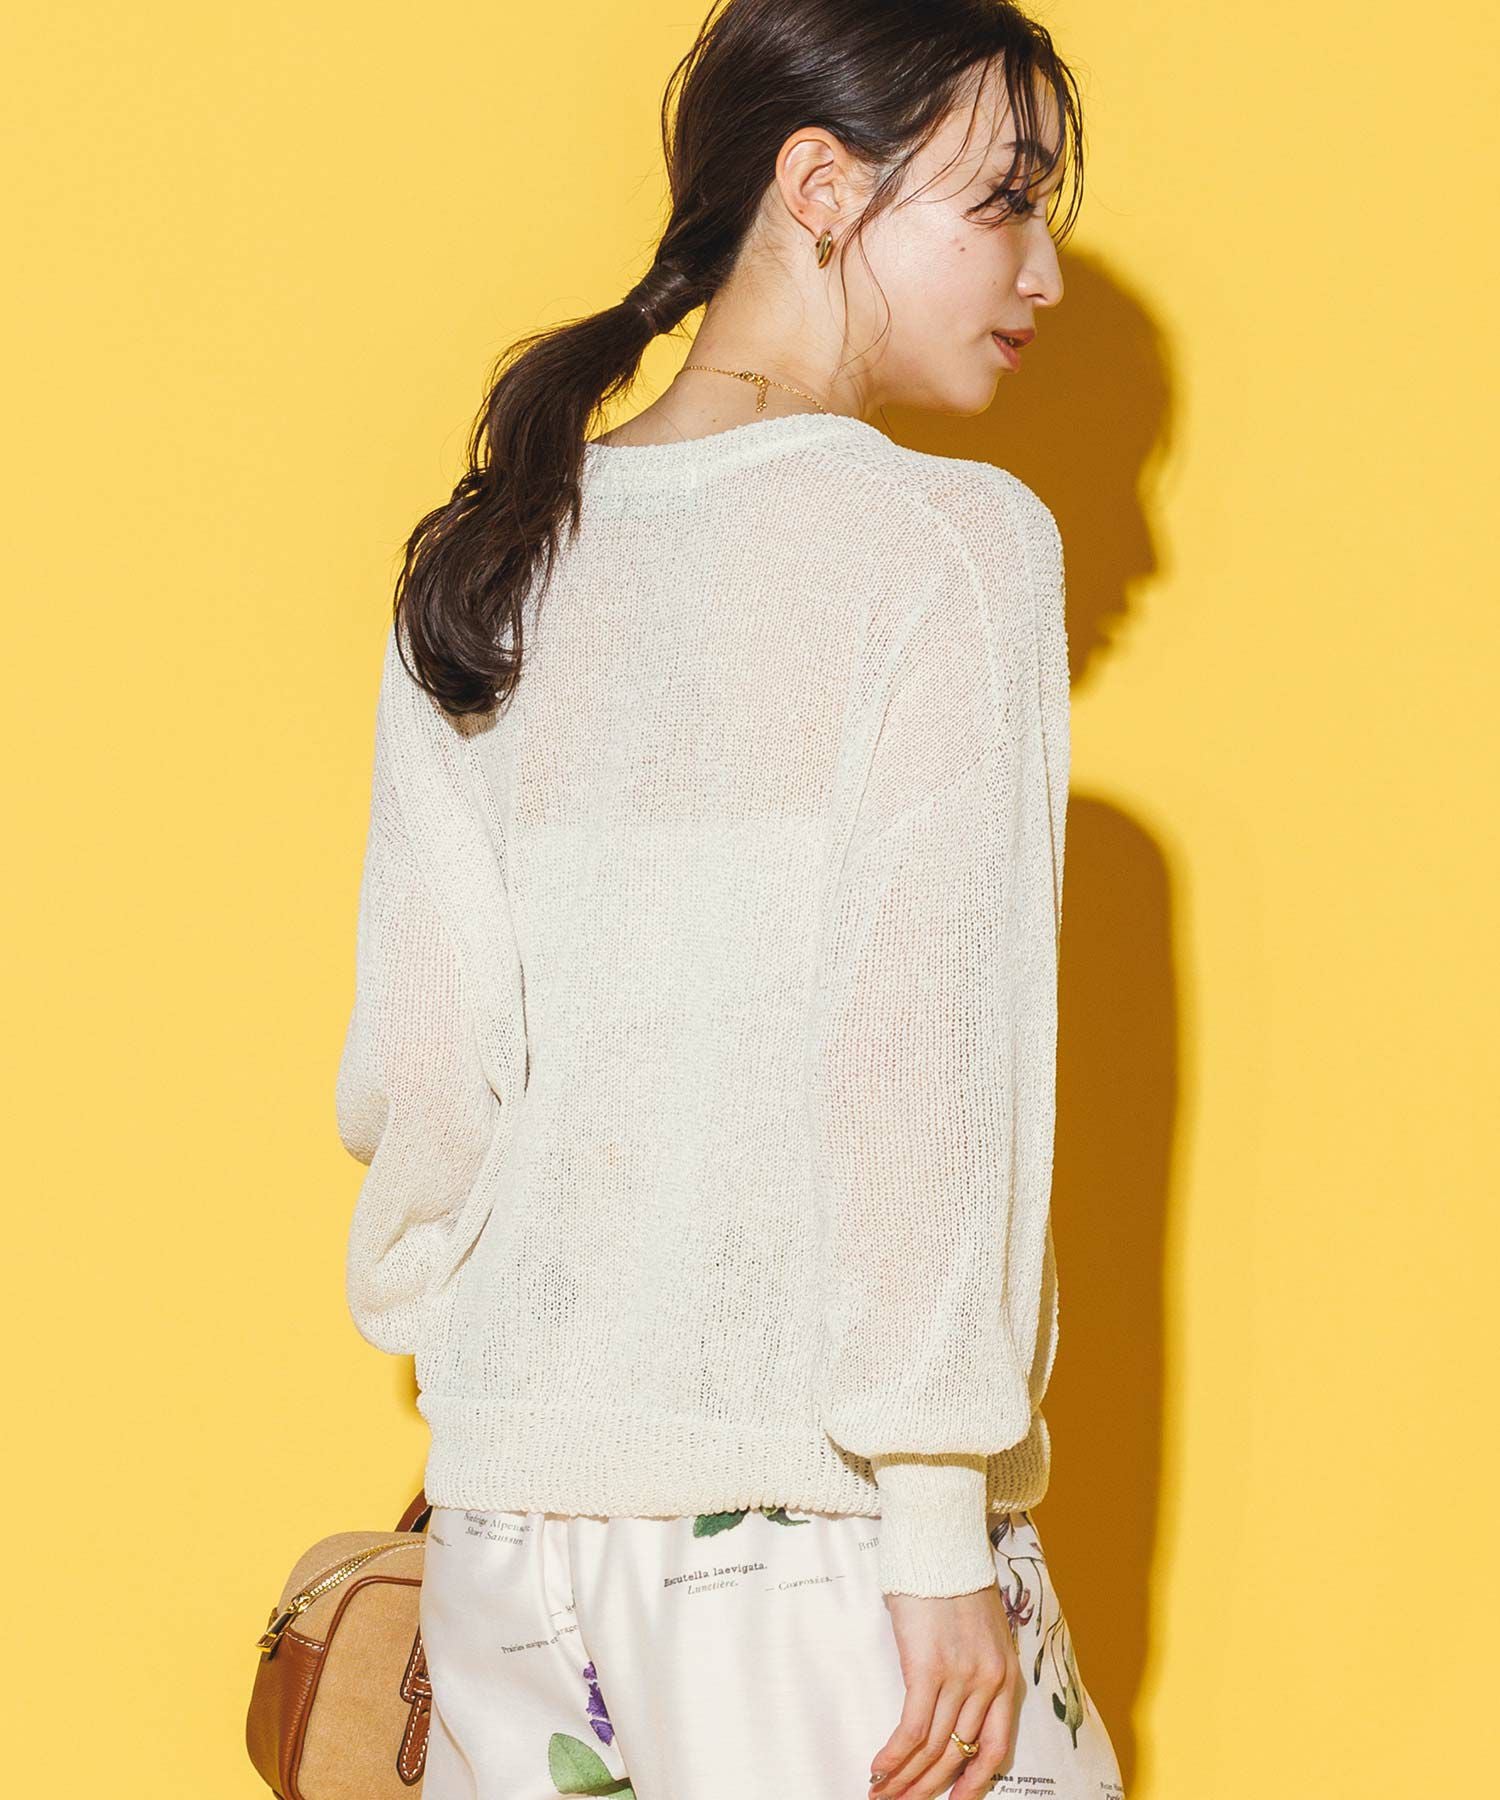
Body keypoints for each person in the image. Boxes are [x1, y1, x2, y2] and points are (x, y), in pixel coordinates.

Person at [334, 1, 1124, 1795]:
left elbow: (430, 1065)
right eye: (1004, 200)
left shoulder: (485, 561)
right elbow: (915, 1068)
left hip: (511, 1534)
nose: (1045, 270)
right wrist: (938, 1528)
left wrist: (512, 1372)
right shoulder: (952, 550)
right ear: (821, 186)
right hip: (828, 1543)